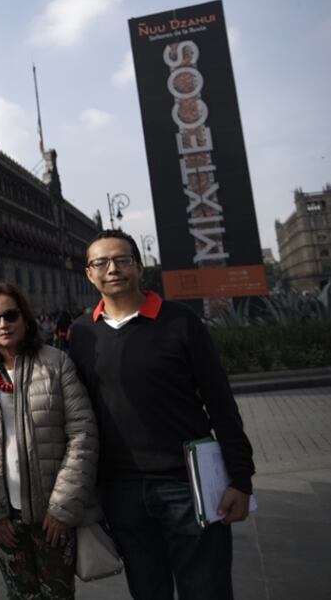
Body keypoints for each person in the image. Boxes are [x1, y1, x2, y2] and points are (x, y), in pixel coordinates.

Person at [68, 229, 255, 600]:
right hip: (122, 490)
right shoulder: (81, 333)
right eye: (101, 262)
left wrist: (241, 477)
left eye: (122, 260)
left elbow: (219, 401)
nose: (112, 269)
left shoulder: (180, 321)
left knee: (206, 590)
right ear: (89, 274)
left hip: (189, 483)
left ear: (139, 266)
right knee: (147, 590)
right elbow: (80, 413)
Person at [0, 283, 100, 599]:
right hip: (4, 516)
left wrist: (62, 507)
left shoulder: (55, 363)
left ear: (25, 318)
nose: (3, 324)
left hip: (53, 515)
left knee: (58, 594)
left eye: (10, 315)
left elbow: (82, 435)